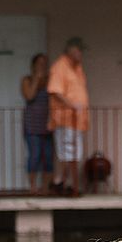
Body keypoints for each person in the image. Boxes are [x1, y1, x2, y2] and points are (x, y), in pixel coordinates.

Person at [46, 37, 90, 197]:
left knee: (75, 153)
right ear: (71, 50)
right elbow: (55, 91)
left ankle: (69, 183)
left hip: (77, 120)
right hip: (65, 118)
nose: (81, 54)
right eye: (79, 51)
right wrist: (71, 105)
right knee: (67, 152)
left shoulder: (77, 68)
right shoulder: (60, 67)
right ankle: (60, 183)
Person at [20, 53, 54, 195]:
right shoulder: (26, 80)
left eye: (44, 63)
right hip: (32, 124)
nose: (42, 66)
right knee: (34, 155)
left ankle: (45, 188)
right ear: (33, 65)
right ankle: (32, 186)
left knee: (48, 156)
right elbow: (29, 96)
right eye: (39, 63)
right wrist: (36, 79)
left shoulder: (51, 81)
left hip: (47, 124)